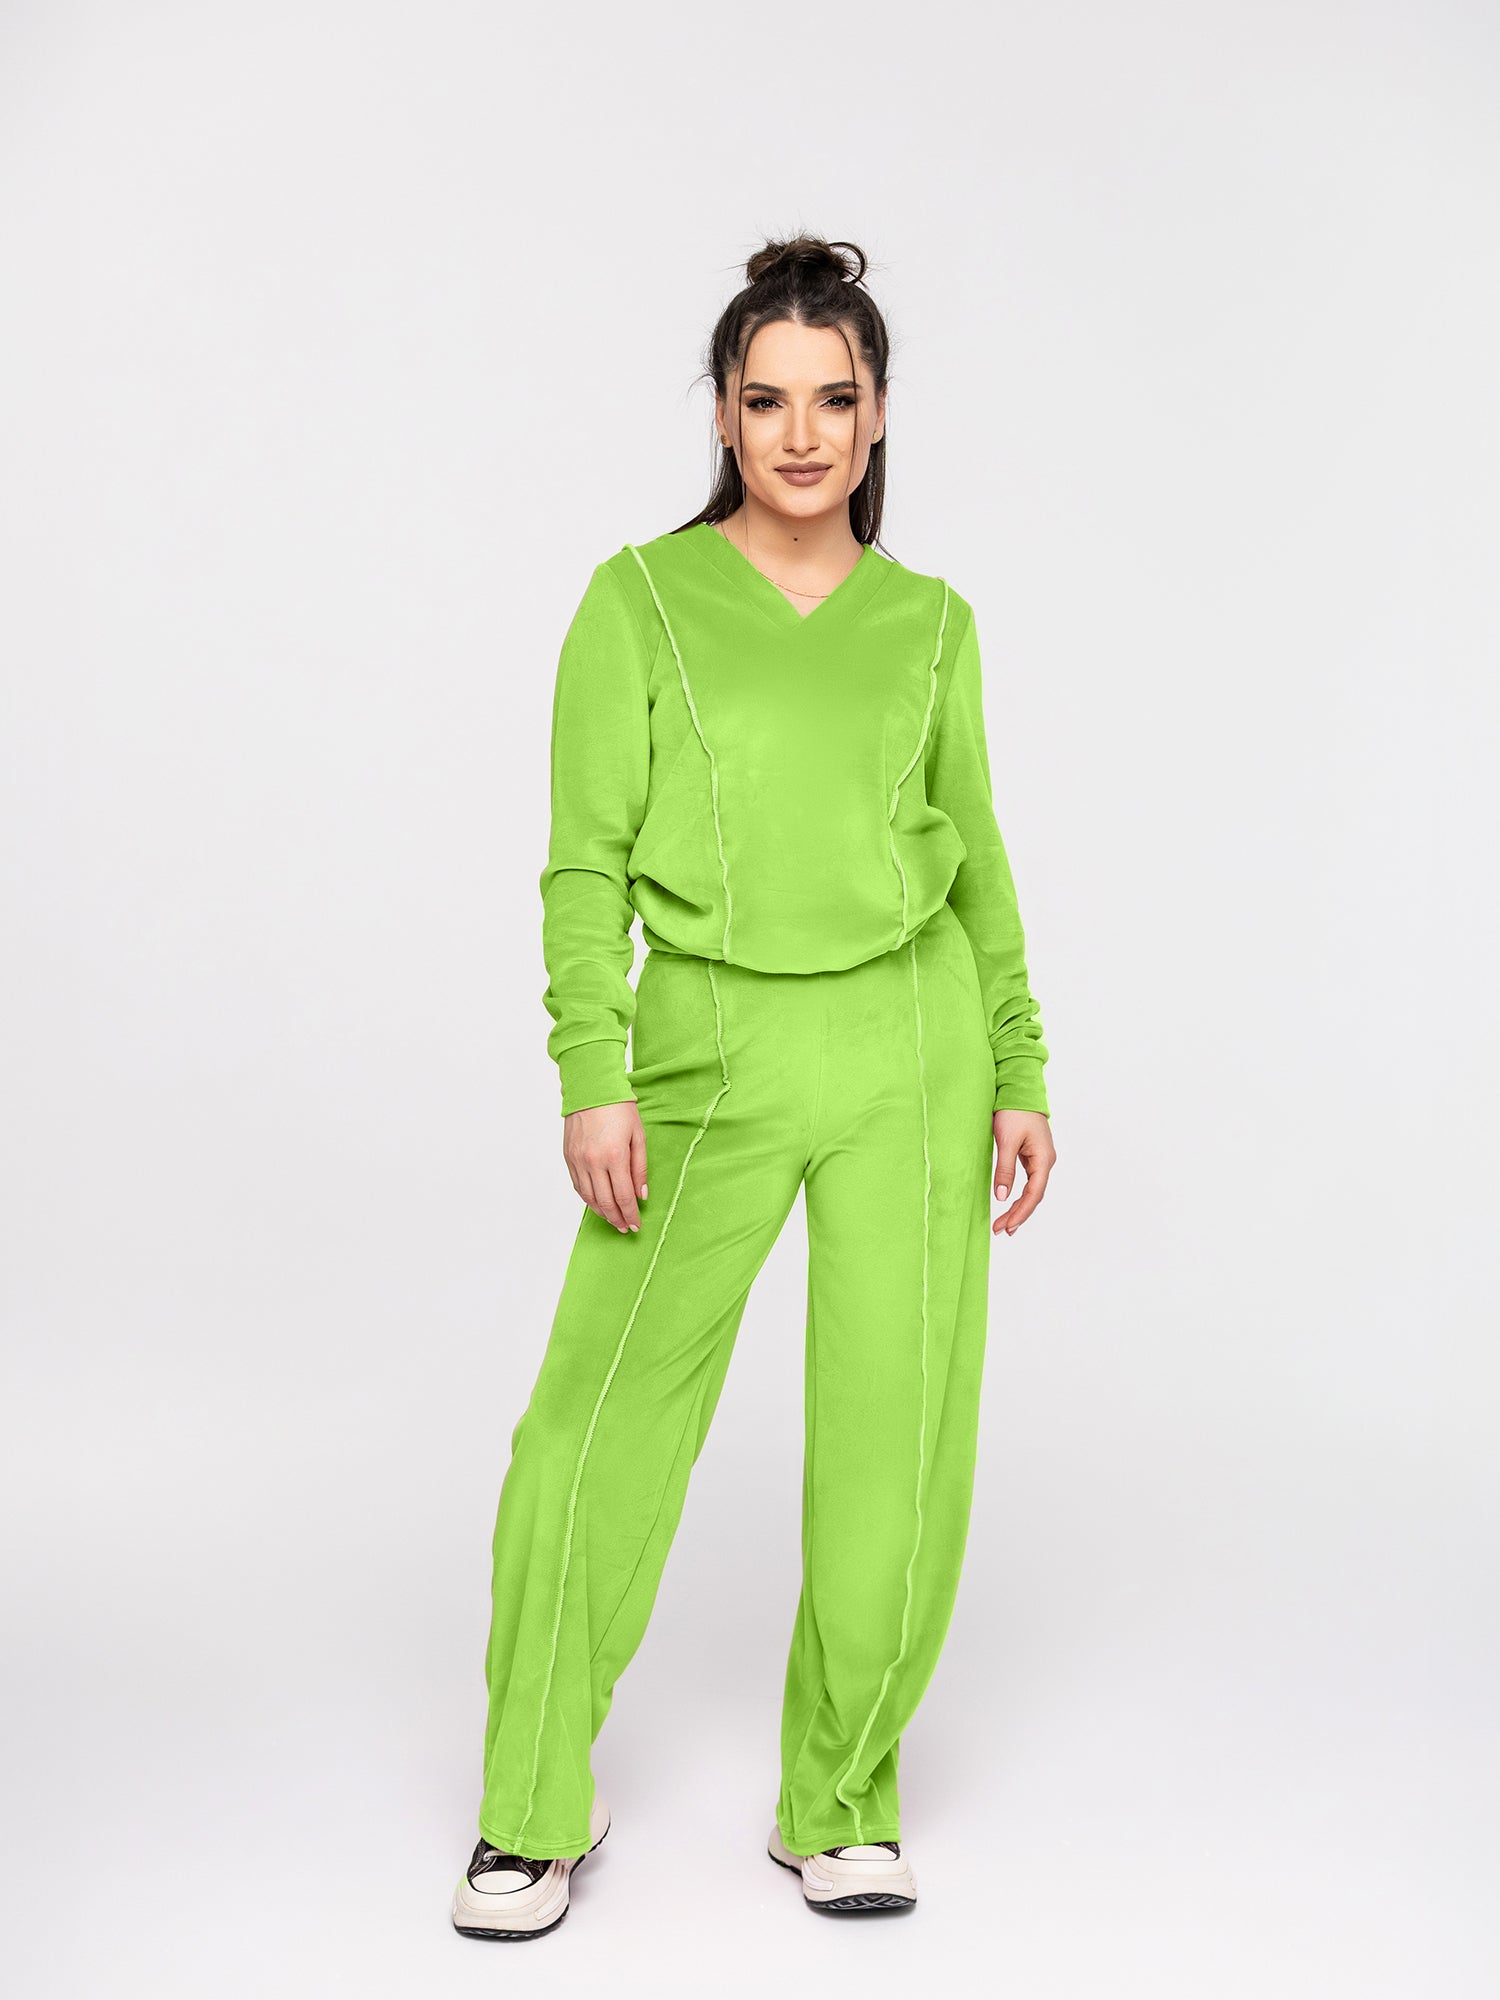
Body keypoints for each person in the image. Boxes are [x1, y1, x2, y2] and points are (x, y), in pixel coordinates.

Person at [451, 234, 1057, 1940]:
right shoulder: (638, 602)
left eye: (833, 400)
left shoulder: (931, 625)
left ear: (878, 417)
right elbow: (584, 863)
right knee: (594, 1426)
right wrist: (593, 1071)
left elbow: (977, 857)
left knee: (897, 1437)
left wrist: (1018, 1060)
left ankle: (841, 1802)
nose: (802, 434)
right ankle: (530, 1807)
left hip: (911, 1048)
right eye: (768, 399)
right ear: (723, 413)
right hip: (707, 1047)